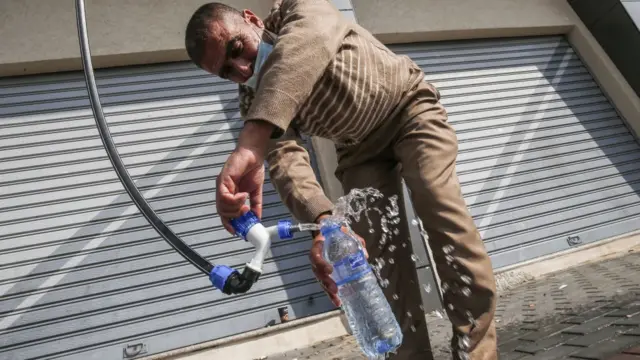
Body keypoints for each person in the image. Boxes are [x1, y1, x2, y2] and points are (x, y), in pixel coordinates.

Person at [184, 1, 498, 359]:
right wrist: (325, 224)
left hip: (410, 110)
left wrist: (253, 139)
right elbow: (287, 162)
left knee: (441, 213)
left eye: (238, 50)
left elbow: (306, 43)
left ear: (253, 21)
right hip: (359, 150)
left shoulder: (297, 9)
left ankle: (477, 353)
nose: (241, 68)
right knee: (375, 261)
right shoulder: (252, 99)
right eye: (227, 71)